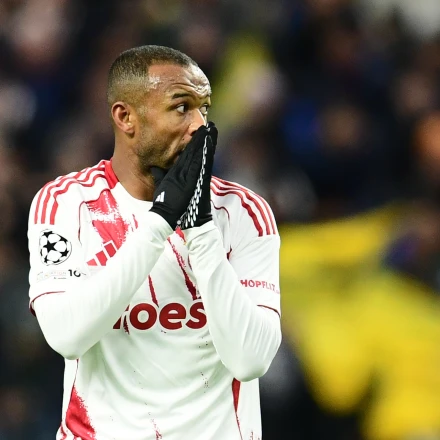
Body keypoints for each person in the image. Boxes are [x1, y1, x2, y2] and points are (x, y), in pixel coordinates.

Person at [27, 45, 281, 440]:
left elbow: (250, 360)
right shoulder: (66, 204)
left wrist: (199, 228)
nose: (199, 126)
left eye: (204, 109)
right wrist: (160, 221)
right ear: (125, 117)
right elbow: (66, 336)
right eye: (181, 107)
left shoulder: (243, 212)